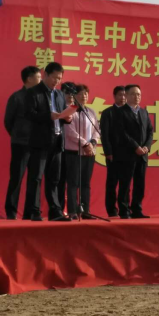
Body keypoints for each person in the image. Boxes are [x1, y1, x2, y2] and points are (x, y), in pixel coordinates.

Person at [23, 62, 73, 222]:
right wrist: (48, 116)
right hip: (40, 142)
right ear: (45, 74)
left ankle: (55, 211)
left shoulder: (59, 94)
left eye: (59, 78)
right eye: (54, 77)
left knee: (54, 179)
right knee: (36, 178)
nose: (56, 81)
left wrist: (67, 118)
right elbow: (29, 114)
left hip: (57, 141)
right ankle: (34, 211)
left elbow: (61, 115)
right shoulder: (33, 92)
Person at [4, 66, 40, 219]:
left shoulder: (40, 96)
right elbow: (8, 121)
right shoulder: (17, 97)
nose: (40, 80)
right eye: (38, 77)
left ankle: (30, 212)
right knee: (17, 177)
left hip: (37, 144)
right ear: (29, 79)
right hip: (20, 143)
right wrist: (18, 135)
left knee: (35, 179)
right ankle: (11, 212)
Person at [115, 84, 153, 219]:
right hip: (127, 154)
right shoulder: (120, 112)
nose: (137, 97)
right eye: (133, 94)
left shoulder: (144, 112)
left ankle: (137, 209)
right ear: (126, 95)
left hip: (142, 155)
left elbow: (150, 131)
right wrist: (136, 146)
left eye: (139, 94)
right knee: (125, 183)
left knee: (140, 183)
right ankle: (124, 210)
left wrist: (147, 147)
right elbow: (121, 133)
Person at [63, 84, 100, 219]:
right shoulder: (70, 110)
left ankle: (85, 211)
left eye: (86, 93)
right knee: (73, 183)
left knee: (85, 183)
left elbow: (97, 130)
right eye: (80, 93)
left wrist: (93, 142)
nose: (84, 96)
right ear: (74, 96)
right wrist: (84, 144)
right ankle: (73, 211)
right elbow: (70, 132)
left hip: (89, 153)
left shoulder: (91, 112)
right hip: (74, 152)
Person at [100, 85, 126, 217]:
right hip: (113, 154)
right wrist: (108, 152)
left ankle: (124, 208)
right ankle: (112, 209)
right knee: (112, 183)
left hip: (128, 154)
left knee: (125, 183)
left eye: (125, 95)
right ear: (114, 96)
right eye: (120, 95)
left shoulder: (131, 112)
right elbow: (104, 135)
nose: (123, 98)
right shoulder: (108, 113)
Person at [57, 86, 76, 213]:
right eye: (67, 93)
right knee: (60, 179)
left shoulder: (79, 109)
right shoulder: (59, 109)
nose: (70, 96)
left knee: (74, 181)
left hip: (75, 150)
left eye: (72, 93)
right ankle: (59, 208)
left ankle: (73, 209)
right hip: (61, 148)